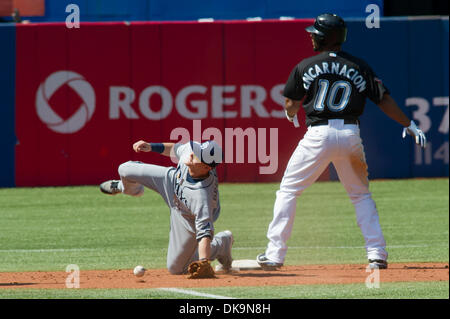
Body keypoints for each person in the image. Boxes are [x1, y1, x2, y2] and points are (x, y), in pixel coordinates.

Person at [256, 13, 426, 270]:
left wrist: (290, 114)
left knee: (289, 191)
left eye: (315, 33)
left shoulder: (306, 65)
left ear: (324, 37)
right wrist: (408, 123)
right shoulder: (359, 65)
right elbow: (383, 100)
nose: (311, 36)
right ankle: (377, 253)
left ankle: (275, 254)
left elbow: (291, 102)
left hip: (318, 135)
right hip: (349, 135)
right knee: (360, 195)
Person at [100, 139, 233, 275]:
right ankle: (128, 188)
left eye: (198, 155)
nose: (193, 154)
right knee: (125, 169)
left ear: (206, 167)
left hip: (187, 217)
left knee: (176, 268)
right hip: (172, 181)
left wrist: (204, 261)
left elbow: (205, 233)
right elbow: (175, 149)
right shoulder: (191, 153)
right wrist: (151, 147)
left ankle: (222, 244)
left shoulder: (202, 197)